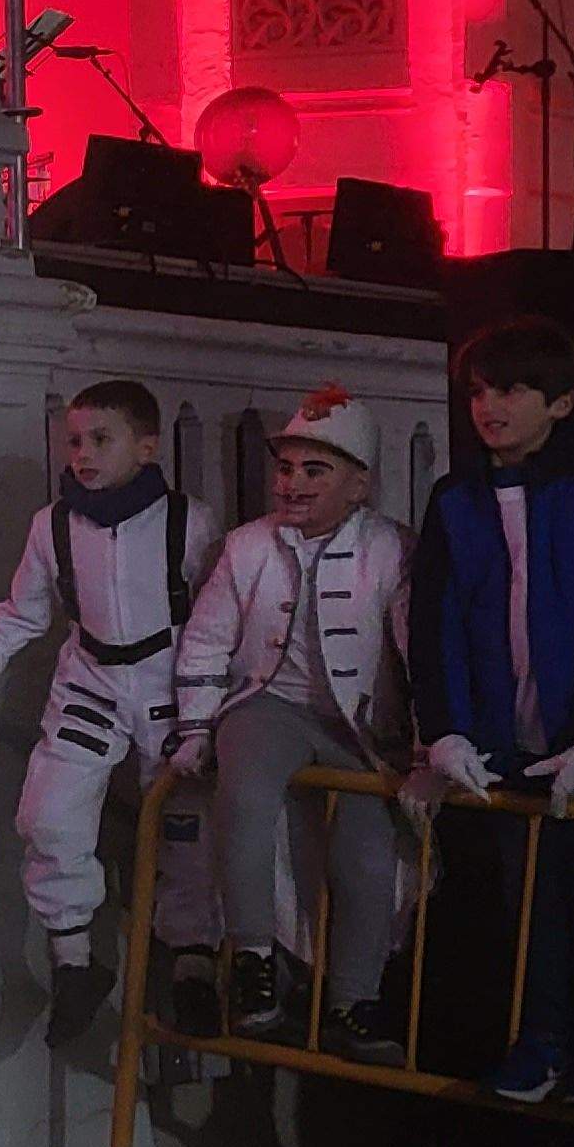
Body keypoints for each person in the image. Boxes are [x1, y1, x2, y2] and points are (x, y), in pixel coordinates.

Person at [399, 320, 574, 1104]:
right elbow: (436, 620)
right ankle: (540, 1041)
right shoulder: (456, 499)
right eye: (480, 390)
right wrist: (445, 725)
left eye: (511, 390)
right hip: (508, 740)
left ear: (560, 402)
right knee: (529, 907)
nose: (490, 406)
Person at [0, 378, 222, 1045]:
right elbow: (26, 610)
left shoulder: (188, 523)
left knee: (187, 833)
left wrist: (217, 701)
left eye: (101, 439)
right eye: (75, 441)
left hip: (174, 687)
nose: (83, 453)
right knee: (49, 816)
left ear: (147, 447)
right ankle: (74, 964)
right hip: (89, 682)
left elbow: (221, 613)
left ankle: (194, 968)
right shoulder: (54, 525)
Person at [163, 385, 414, 1051]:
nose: (293, 483)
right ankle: (252, 959)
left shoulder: (392, 549)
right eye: (286, 469)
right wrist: (196, 726)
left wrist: (423, 740)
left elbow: (415, 647)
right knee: (242, 800)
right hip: (267, 704)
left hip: (357, 727)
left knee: (367, 859)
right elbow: (209, 637)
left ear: (359, 485)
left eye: (315, 470)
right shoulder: (247, 546)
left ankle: (352, 999)